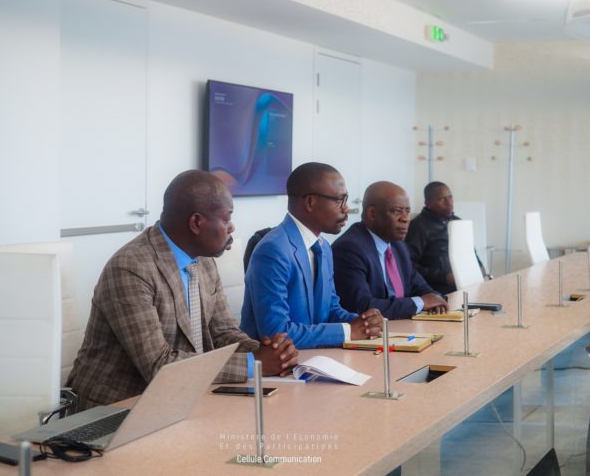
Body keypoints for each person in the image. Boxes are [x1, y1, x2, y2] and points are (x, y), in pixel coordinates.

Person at [67, 170, 298, 411]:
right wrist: (255, 363)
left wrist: (270, 353)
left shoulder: (203, 260)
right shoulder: (131, 269)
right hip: (118, 407)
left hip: (184, 397)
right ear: (196, 222)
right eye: (226, 219)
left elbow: (224, 333)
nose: (232, 227)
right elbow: (159, 365)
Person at [240, 162, 382, 349]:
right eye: (340, 200)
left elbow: (330, 310)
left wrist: (363, 323)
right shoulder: (273, 250)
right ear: (310, 202)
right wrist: (348, 331)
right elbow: (277, 333)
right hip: (277, 363)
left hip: (316, 357)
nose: (346, 208)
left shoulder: (323, 247)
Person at [332, 181, 448, 319]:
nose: (405, 219)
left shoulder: (398, 246)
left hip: (402, 326)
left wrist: (436, 300)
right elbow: (362, 306)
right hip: (374, 330)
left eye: (407, 211)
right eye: (397, 211)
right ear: (372, 213)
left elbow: (424, 290)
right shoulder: (349, 248)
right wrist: (421, 303)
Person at [405, 181, 487, 295]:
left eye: (450, 197)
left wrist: (480, 266)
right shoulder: (418, 227)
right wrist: (444, 277)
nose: (449, 203)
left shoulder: (458, 221)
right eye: (442, 199)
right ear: (428, 203)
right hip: (438, 291)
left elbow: (470, 251)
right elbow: (409, 265)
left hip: (467, 285)